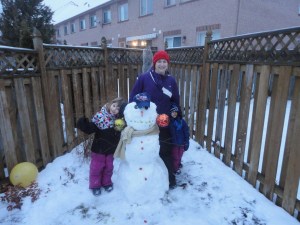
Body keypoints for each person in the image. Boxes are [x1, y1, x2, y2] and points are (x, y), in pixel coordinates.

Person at [129, 50, 180, 189]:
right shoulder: (144, 78)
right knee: (148, 151)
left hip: (164, 123)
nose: (162, 64)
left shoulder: (171, 81)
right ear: (154, 63)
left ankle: (169, 178)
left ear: (167, 64)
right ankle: (147, 182)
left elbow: (175, 101)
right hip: (147, 123)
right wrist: (140, 107)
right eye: (159, 61)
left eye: (165, 62)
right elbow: (133, 98)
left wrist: (175, 110)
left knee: (165, 150)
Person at [76, 97, 126, 196]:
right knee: (96, 167)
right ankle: (95, 185)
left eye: (117, 109)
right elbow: (91, 128)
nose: (114, 109)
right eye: (114, 105)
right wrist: (84, 124)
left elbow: (122, 133)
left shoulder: (119, 120)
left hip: (111, 149)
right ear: (110, 104)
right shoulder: (100, 117)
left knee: (109, 167)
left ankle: (106, 183)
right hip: (99, 149)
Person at [169, 103, 190, 175]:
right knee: (175, 156)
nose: (174, 114)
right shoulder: (169, 122)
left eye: (175, 112)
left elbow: (186, 132)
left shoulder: (182, 121)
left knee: (180, 155)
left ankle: (178, 164)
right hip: (174, 144)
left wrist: (186, 141)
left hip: (181, 143)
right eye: (172, 112)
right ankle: (175, 168)